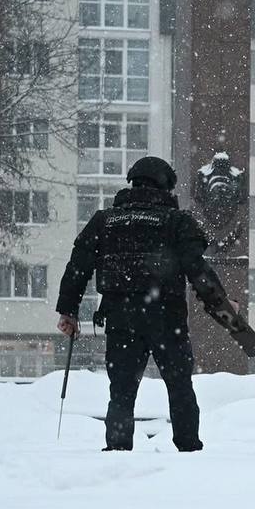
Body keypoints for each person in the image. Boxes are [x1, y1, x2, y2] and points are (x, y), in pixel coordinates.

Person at [55, 156, 239, 452]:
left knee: (122, 392)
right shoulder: (177, 222)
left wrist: (69, 310)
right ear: (166, 187)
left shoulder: (105, 221)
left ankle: (117, 449)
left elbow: (78, 265)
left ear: (133, 182)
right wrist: (222, 305)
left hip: (121, 319)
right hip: (167, 319)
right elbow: (196, 268)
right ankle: (189, 448)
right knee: (180, 388)